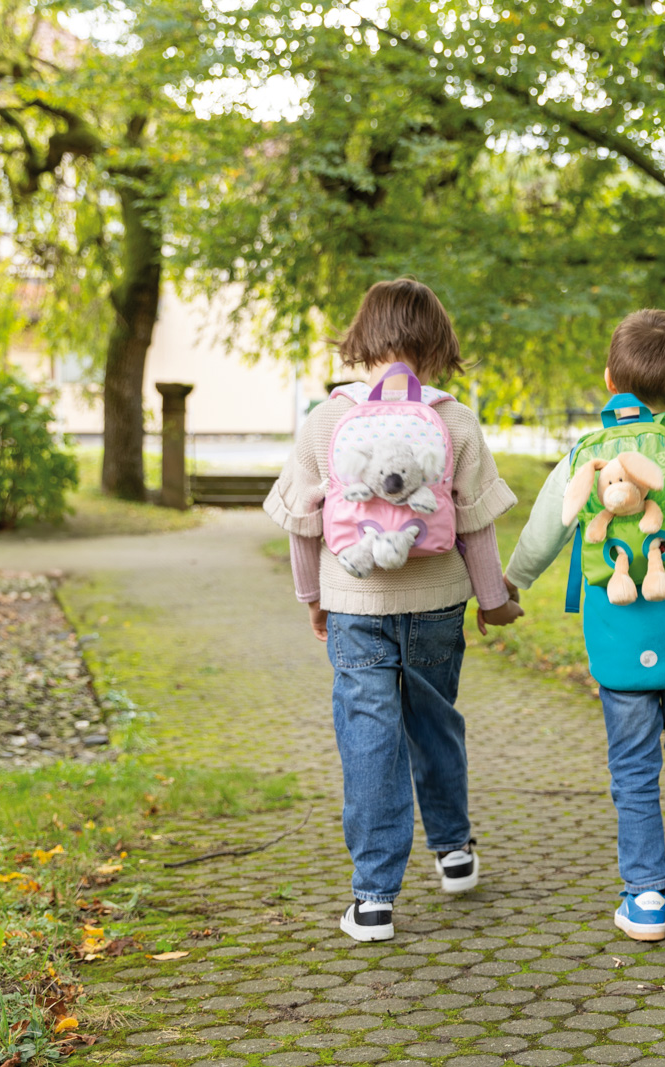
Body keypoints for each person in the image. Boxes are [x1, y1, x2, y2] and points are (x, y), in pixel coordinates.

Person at [264, 279, 523, 943]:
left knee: (370, 738)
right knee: (435, 721)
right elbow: (477, 527)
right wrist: (494, 601)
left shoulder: (326, 420)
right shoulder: (455, 420)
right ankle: (454, 852)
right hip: (436, 602)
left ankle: (374, 899)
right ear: (438, 346)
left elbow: (301, 524)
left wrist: (312, 598)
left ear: (362, 339)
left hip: (355, 605)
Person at [504, 309, 665, 941]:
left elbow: (545, 529)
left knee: (633, 765)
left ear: (609, 379)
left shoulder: (589, 455)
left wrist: (507, 586)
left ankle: (644, 898)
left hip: (620, 641)